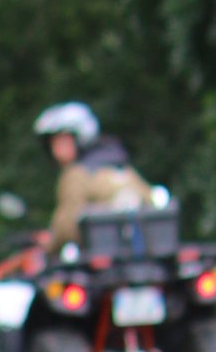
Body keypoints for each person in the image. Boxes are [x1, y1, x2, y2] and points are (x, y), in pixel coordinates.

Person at [35, 100, 154, 250]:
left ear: (81, 139)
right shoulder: (122, 168)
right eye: (54, 144)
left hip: (102, 259)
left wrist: (49, 244)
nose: (56, 151)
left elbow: (66, 226)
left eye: (62, 142)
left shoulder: (76, 174)